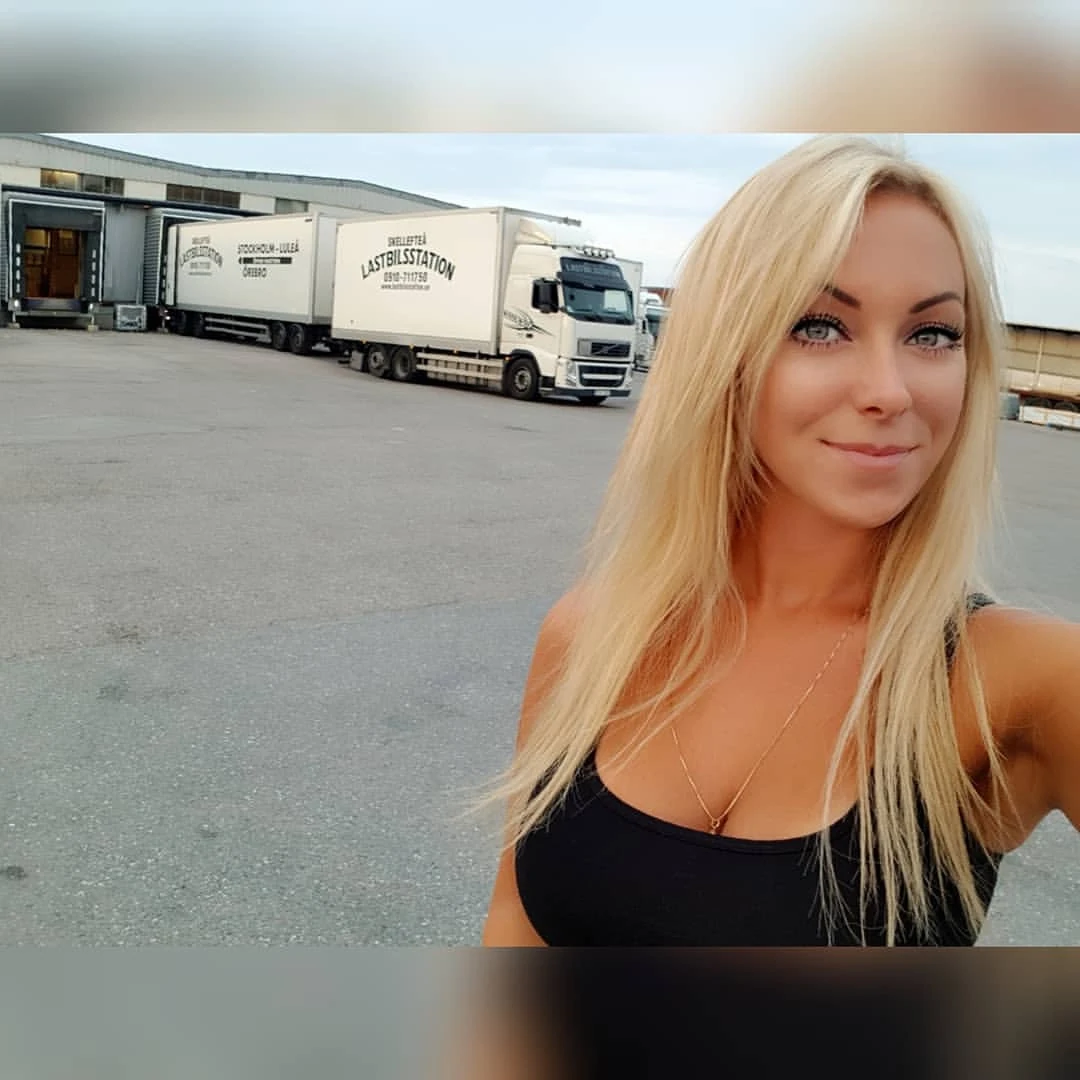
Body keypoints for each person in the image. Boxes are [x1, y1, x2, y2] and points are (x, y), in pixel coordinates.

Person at [479, 134, 1080, 947]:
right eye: (820, 326)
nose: (890, 391)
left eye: (933, 334)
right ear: (724, 355)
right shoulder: (588, 636)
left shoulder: (1019, 682)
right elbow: (515, 920)